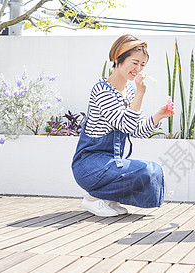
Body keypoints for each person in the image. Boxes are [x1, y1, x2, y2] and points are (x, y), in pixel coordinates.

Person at [72, 34, 174, 217]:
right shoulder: (101, 89)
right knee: (145, 170)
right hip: (89, 165)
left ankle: (107, 198)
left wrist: (159, 115)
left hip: (112, 163)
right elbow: (124, 123)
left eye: (142, 65)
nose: (138, 69)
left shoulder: (131, 91)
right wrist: (140, 95)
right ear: (117, 58)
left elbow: (138, 130)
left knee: (154, 171)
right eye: (134, 62)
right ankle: (92, 198)